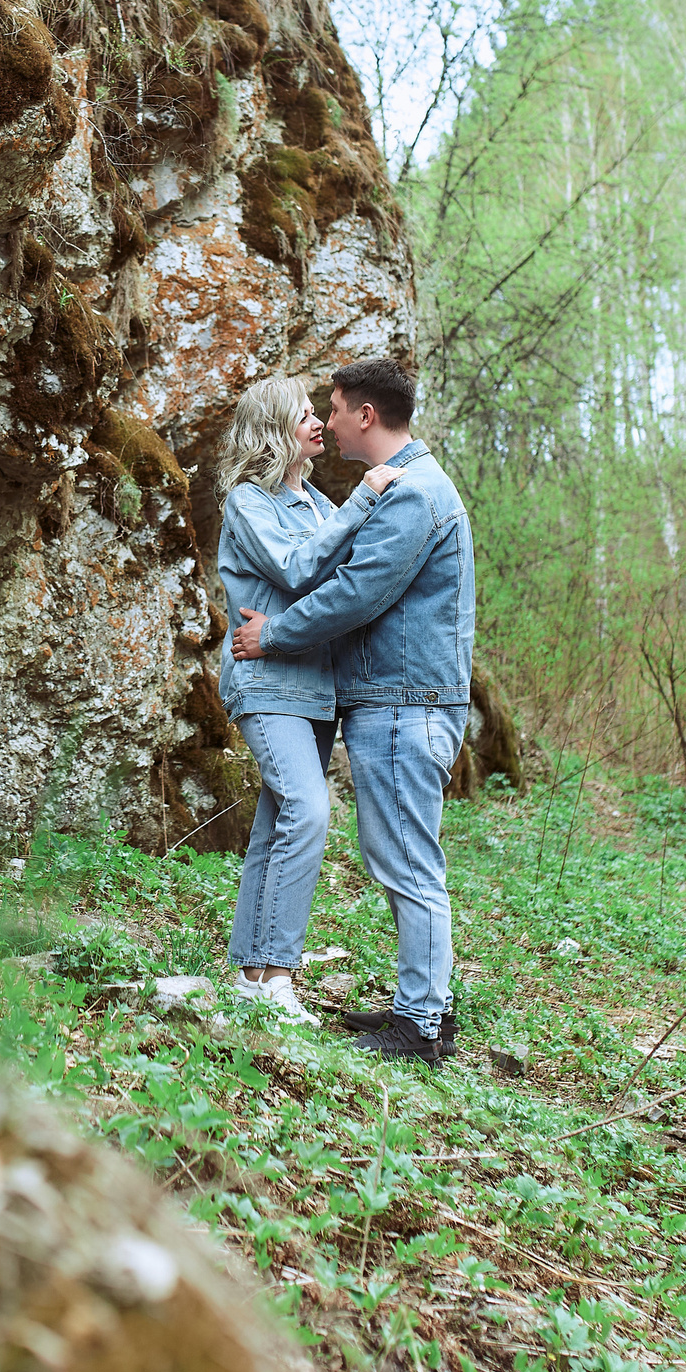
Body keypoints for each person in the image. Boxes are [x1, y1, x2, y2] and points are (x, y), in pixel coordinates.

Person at [230, 359, 474, 1066]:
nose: (328, 420)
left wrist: (271, 633)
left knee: (406, 863)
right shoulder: (405, 489)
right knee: (403, 857)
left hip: (405, 705)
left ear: (364, 415)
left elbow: (355, 594)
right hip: (402, 702)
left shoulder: (409, 495)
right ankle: (419, 1006)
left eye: (334, 408)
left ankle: (422, 1023)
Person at [211, 378, 402, 1027]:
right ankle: (279, 978)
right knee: (309, 811)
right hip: (265, 684)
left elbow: (340, 580)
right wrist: (363, 501)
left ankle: (249, 973)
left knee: (276, 822)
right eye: (303, 417)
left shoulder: (319, 503)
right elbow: (297, 568)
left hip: (315, 689)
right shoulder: (248, 502)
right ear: (272, 431)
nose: (319, 423)